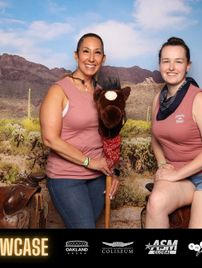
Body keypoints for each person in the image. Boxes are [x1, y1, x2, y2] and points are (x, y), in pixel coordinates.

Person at [145, 37, 202, 228]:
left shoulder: (199, 99)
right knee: (155, 203)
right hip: (179, 175)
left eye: (178, 61)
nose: (171, 67)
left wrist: (174, 176)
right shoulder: (157, 100)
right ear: (160, 64)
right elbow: (155, 137)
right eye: (166, 61)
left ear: (188, 66)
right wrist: (162, 164)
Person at [39, 33, 119, 228]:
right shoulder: (59, 90)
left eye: (97, 53)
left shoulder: (103, 94)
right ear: (76, 56)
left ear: (103, 58)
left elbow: (110, 136)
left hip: (98, 178)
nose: (91, 58)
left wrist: (113, 170)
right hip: (66, 177)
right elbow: (50, 139)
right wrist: (90, 162)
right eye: (86, 51)